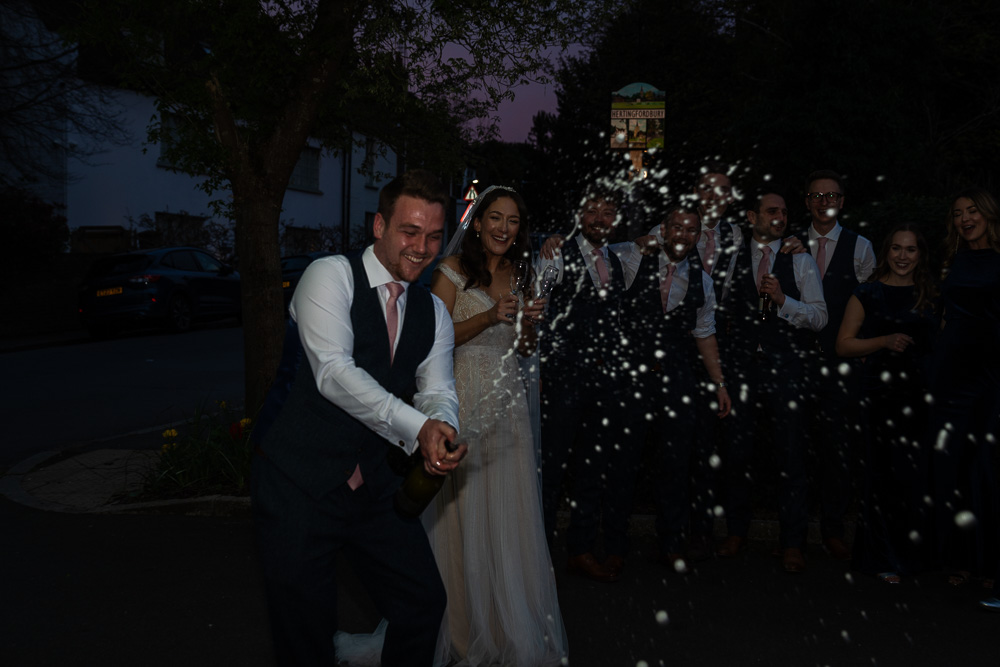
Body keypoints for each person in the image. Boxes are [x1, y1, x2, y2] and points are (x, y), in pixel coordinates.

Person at [250, 170, 466, 667]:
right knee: (305, 632)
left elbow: (437, 390)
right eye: (409, 231)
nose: (421, 247)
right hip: (296, 480)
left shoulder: (433, 312)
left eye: (434, 236)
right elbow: (333, 375)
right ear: (379, 225)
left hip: (373, 486)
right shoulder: (330, 275)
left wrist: (442, 426)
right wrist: (418, 428)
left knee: (422, 603)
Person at [425, 185, 568, 665]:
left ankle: (506, 627)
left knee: (508, 517)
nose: (504, 228)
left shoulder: (522, 274)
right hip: (461, 406)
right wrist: (489, 316)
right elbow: (432, 342)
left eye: (512, 221)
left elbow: (524, 351)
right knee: (462, 518)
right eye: (495, 218)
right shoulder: (450, 272)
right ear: (478, 222)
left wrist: (529, 325)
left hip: (507, 411)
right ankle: (464, 629)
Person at [612, 207, 731, 572]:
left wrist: (719, 384)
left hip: (678, 379)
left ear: (698, 235)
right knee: (623, 463)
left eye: (691, 229)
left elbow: (704, 334)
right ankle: (614, 545)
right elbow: (595, 251)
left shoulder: (704, 281)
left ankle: (672, 543)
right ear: (662, 229)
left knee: (675, 465)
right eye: (676, 226)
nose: (682, 234)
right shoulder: (633, 257)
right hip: (633, 376)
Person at [715, 191, 828, 573]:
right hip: (742, 368)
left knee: (791, 455)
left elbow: (819, 318)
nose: (780, 217)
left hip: (786, 368)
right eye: (771, 211)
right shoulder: (731, 258)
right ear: (752, 216)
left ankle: (792, 542)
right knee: (737, 452)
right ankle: (736, 531)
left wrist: (783, 301)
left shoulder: (800, 258)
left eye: (784, 211)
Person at [835, 224, 939, 583]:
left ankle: (913, 559)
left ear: (920, 255)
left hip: (921, 398)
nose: (903, 256)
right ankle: (880, 558)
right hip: (880, 397)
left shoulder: (933, 295)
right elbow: (843, 345)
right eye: (896, 248)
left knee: (916, 479)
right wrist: (882, 340)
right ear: (886, 252)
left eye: (911, 250)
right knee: (881, 478)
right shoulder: (867, 293)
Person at [536, 189, 630, 582]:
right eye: (592, 210)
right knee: (551, 469)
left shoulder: (621, 259)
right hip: (562, 381)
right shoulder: (555, 253)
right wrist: (537, 373)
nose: (600, 218)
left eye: (608, 212)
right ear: (579, 213)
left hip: (605, 384)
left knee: (593, 469)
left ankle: (581, 549)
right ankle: (538, 556)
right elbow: (535, 312)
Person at [794, 170, 876, 562]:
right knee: (793, 447)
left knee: (837, 449)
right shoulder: (788, 244)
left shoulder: (861, 247)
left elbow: (868, 309)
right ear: (807, 201)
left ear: (842, 202)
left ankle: (832, 529)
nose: (823, 200)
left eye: (832, 195)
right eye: (816, 195)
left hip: (841, 364)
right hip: (794, 361)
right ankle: (792, 532)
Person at [925, 188, 1000, 610]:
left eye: (972, 211)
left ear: (989, 214)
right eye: (957, 214)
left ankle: (993, 567)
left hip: (989, 377)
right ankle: (966, 559)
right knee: (955, 468)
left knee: (986, 470)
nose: (965, 218)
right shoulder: (953, 260)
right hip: (951, 375)